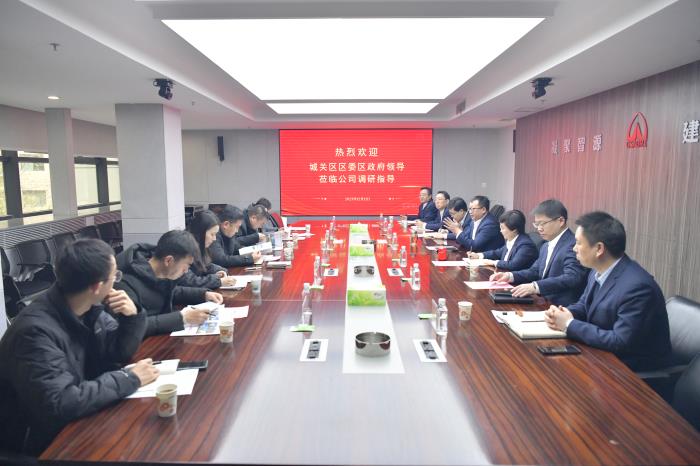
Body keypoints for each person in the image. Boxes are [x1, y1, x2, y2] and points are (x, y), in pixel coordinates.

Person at [0, 239, 160, 455]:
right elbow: (60, 404)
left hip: (77, 420)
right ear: (96, 286)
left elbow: (118, 352)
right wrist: (129, 379)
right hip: (38, 444)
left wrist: (132, 317)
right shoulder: (34, 333)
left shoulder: (87, 308)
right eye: (114, 277)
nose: (116, 282)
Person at [544, 211, 671, 371]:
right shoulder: (597, 270)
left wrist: (569, 324)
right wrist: (563, 313)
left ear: (599, 249)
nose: (574, 248)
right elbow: (584, 305)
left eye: (578, 243)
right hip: (601, 356)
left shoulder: (638, 287)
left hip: (631, 371)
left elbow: (620, 341)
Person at [115, 230, 224, 337]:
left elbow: (170, 291)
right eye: (187, 264)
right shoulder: (125, 283)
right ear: (168, 260)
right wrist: (182, 318)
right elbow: (131, 326)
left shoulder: (159, 270)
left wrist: (203, 294)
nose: (186, 271)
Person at [491, 199, 587, 305]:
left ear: (561, 221)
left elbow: (572, 277)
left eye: (543, 223)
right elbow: (535, 271)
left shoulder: (572, 245)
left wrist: (535, 286)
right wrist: (510, 276)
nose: (539, 229)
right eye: (537, 224)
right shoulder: (545, 245)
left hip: (561, 306)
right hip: (542, 302)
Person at [180, 210, 240, 289]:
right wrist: (218, 281)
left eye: (215, 234)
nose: (214, 239)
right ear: (201, 232)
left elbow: (205, 264)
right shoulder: (184, 248)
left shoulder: (200, 245)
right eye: (212, 234)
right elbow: (190, 281)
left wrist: (219, 270)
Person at [467, 209, 538, 271]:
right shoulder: (511, 239)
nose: (500, 231)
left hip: (516, 280)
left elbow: (513, 265)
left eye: (503, 228)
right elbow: (497, 253)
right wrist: (479, 255)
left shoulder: (525, 245)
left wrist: (493, 262)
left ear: (514, 229)